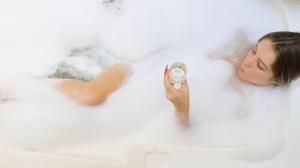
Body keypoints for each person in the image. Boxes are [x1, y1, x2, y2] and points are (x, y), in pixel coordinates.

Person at [57, 31, 300, 126]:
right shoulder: (233, 42)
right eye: (255, 49)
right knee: (91, 96)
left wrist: (181, 106)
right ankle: (28, 86)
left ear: (275, 81)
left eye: (259, 65)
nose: (247, 61)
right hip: (139, 70)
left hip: (153, 104)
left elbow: (190, 131)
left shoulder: (240, 106)